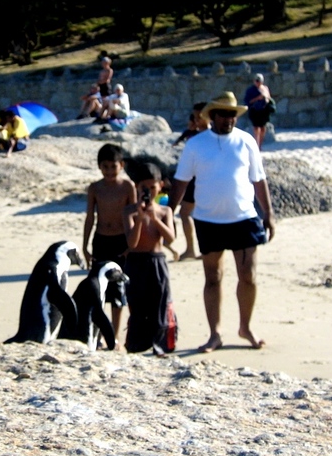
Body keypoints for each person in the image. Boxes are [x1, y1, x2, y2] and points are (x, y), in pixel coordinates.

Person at [168, 91, 275, 353]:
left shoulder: (247, 141)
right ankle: (214, 333)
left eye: (232, 114)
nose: (229, 119)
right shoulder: (195, 144)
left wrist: (269, 214)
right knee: (213, 277)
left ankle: (245, 327)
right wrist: (168, 213)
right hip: (208, 219)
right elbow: (181, 181)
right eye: (224, 114)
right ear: (212, 116)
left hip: (244, 218)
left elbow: (258, 180)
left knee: (248, 276)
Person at [83, 144, 137, 347]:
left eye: (113, 167)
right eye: (105, 167)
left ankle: (114, 335)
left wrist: (132, 245)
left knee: (118, 290)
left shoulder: (127, 187)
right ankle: (97, 334)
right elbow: (90, 217)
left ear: (121, 165)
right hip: (101, 240)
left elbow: (133, 216)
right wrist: (85, 246)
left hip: (121, 241)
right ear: (99, 167)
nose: (109, 171)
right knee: (98, 291)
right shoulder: (95, 188)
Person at [123, 162, 177, 356]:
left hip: (157, 260)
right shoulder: (128, 212)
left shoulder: (165, 211)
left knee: (160, 301)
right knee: (137, 303)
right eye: (144, 188)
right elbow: (132, 243)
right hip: (136, 263)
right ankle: (137, 344)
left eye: (152, 187)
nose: (148, 191)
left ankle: (161, 344)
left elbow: (170, 238)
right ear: (137, 187)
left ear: (161, 186)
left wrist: (154, 219)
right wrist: (139, 217)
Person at [171, 102, 209, 260]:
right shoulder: (199, 134)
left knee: (189, 213)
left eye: (199, 116)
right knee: (190, 214)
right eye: (195, 116)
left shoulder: (204, 136)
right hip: (195, 179)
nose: (196, 119)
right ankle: (197, 249)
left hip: (199, 180)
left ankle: (195, 249)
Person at [244, 73, 272, 150]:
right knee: (256, 128)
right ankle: (256, 145)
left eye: (259, 81)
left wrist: (266, 98)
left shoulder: (265, 88)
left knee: (263, 128)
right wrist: (257, 98)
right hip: (255, 110)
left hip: (264, 111)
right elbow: (248, 101)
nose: (258, 82)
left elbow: (269, 98)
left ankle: (260, 145)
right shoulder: (250, 90)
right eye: (256, 81)